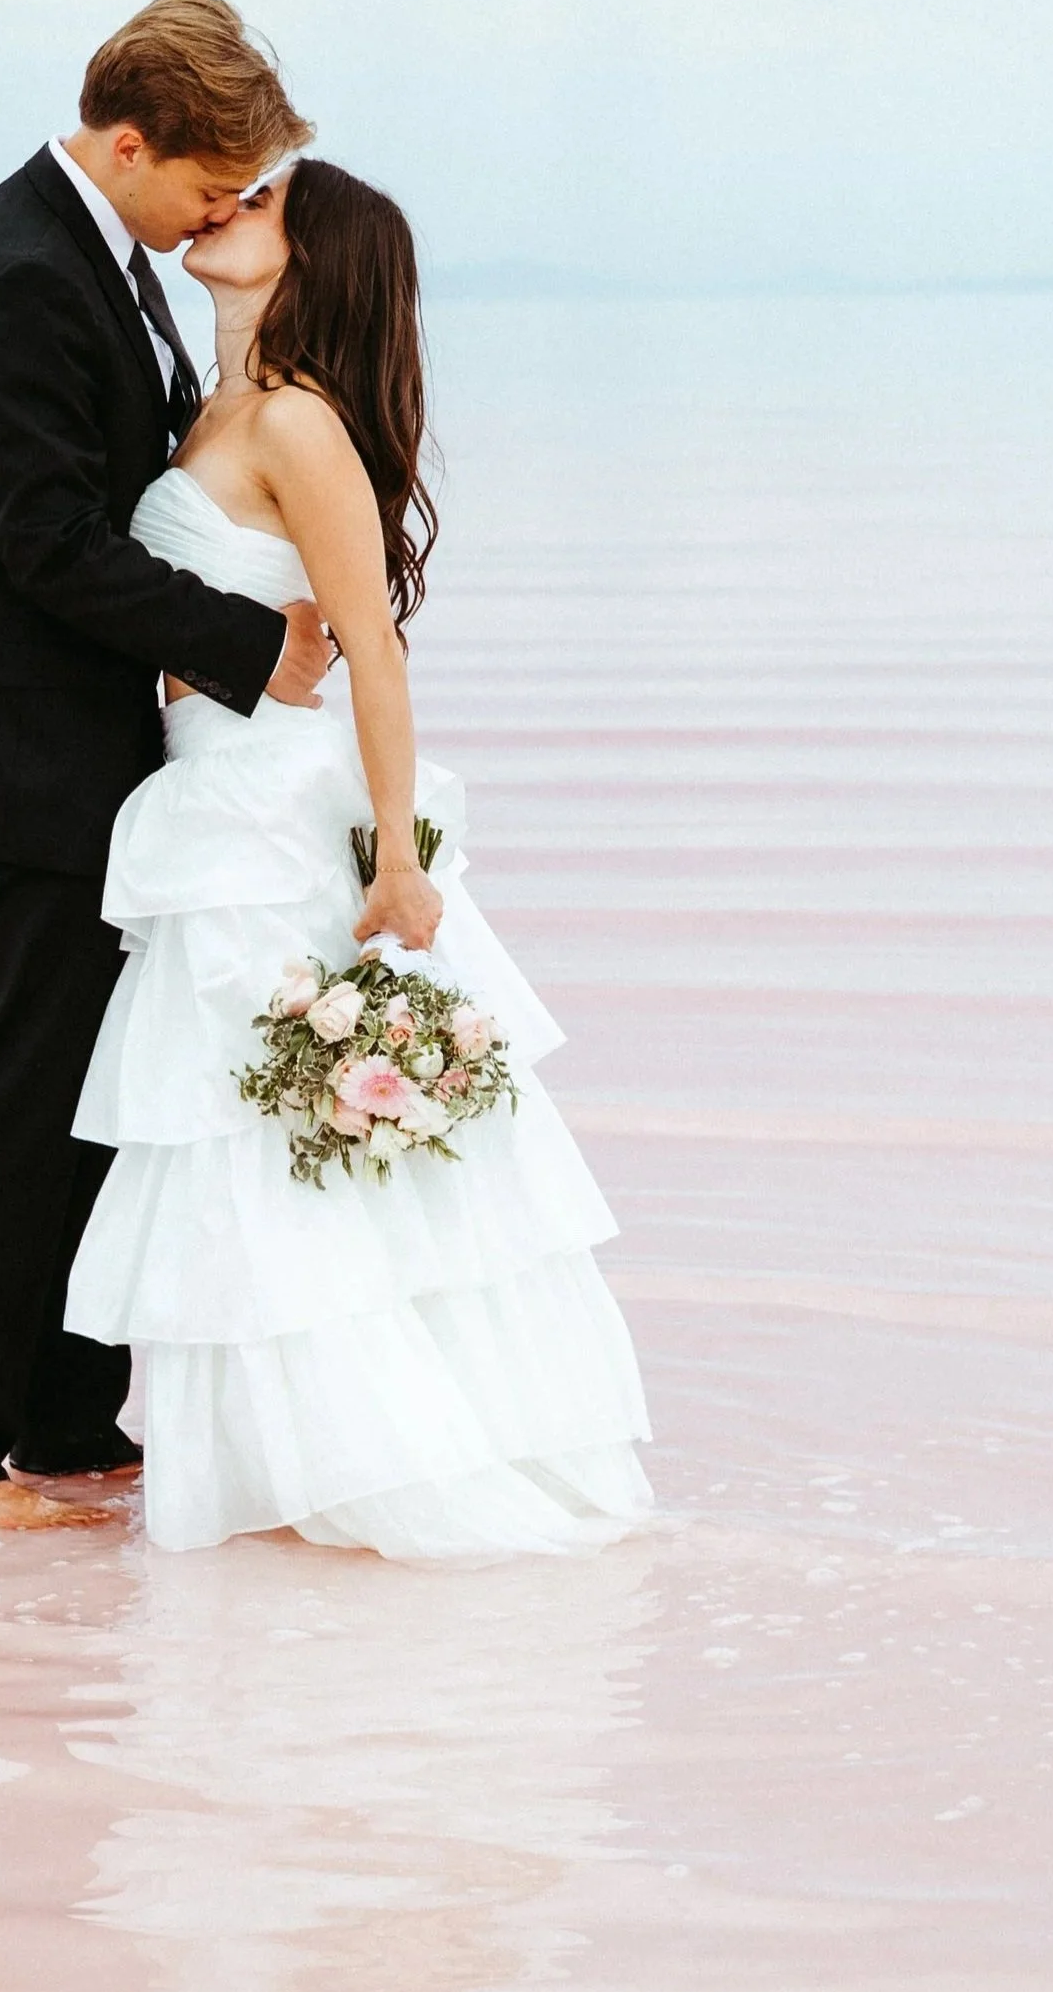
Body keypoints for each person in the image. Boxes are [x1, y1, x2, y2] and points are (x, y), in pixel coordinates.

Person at [65, 159, 653, 1557]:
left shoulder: (298, 426)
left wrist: (398, 862)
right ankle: (277, 1457)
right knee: (240, 1142)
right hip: (210, 799)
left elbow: (373, 652)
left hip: (266, 819)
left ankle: (360, 1452)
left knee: (271, 1143)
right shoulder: (214, 405)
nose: (223, 208)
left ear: (312, 258)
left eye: (259, 202)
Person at [0, 0, 325, 1532]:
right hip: (9, 754)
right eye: (210, 189)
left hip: (83, 749)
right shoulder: (16, 270)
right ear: (130, 143)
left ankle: (66, 1422)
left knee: (92, 1091)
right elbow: (47, 540)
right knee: (11, 1098)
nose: (222, 214)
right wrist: (258, 648)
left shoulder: (103, 254)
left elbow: (148, 474)